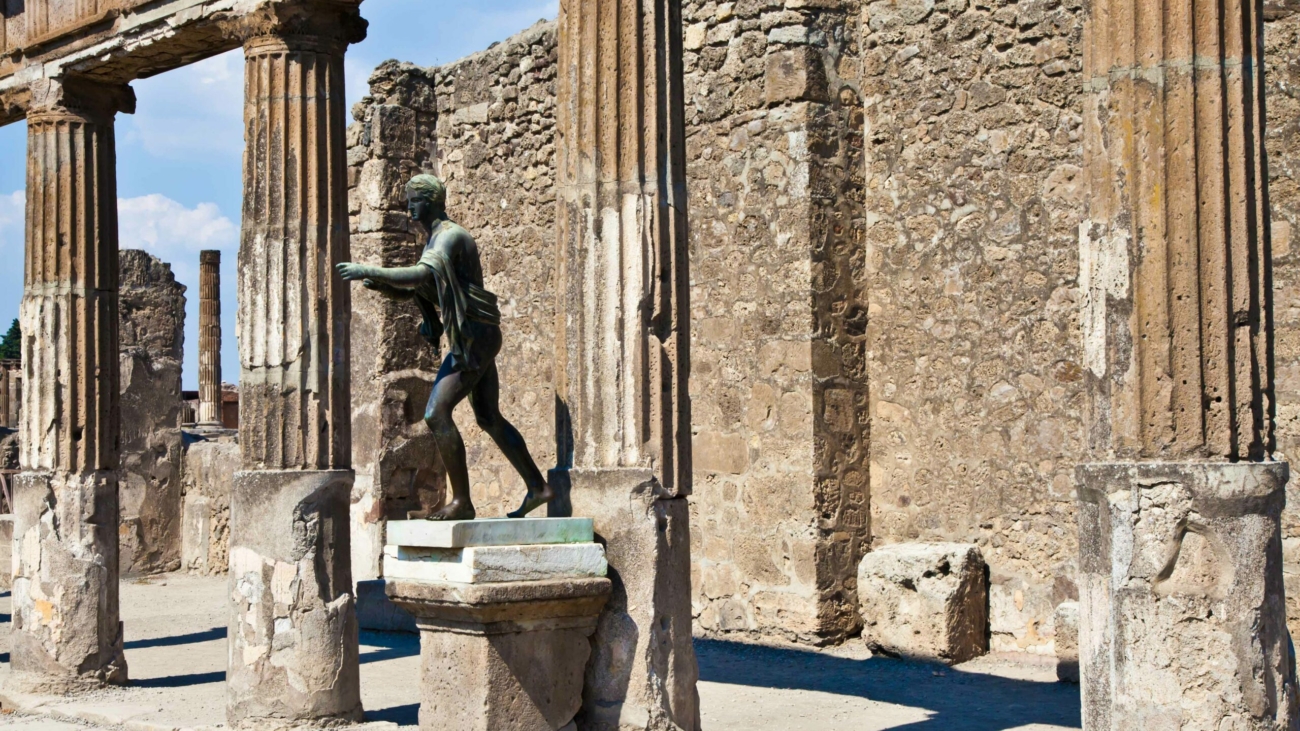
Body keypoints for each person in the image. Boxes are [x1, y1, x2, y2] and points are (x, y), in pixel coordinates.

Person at [336, 174, 553, 520]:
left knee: (436, 413)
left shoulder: (450, 237)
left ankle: (463, 502)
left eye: (415, 201)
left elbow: (421, 277)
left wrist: (369, 267)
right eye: (408, 200)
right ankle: (538, 487)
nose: (409, 208)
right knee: (489, 417)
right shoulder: (434, 240)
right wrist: (379, 285)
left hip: (474, 338)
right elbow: (420, 290)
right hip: (475, 335)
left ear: (433, 201)